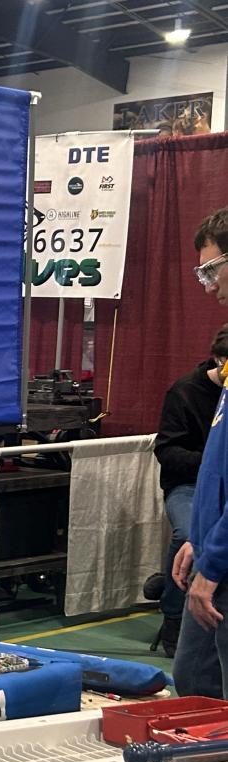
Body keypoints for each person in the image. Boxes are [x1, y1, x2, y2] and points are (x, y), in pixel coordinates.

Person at [173, 207, 228, 699]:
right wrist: (200, 538)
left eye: (213, 269)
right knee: (193, 687)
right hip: (215, 551)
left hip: (223, 565)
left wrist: (215, 560)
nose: (207, 285)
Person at [150, 325, 228, 657]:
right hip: (188, 485)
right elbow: (167, 452)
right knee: (187, 533)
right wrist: (210, 465)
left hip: (217, 485)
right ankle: (172, 613)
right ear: (217, 359)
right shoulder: (184, 392)